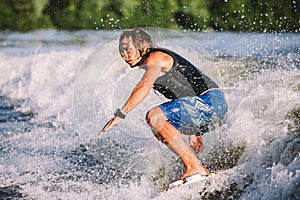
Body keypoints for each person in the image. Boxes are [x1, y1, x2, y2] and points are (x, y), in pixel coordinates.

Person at [100, 28, 228, 180]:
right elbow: (184, 94)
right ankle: (195, 167)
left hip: (212, 101)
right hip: (207, 104)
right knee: (159, 128)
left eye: (128, 49)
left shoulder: (155, 58)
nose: (124, 55)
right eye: (121, 50)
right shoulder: (152, 63)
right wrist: (195, 131)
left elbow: (145, 85)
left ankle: (195, 167)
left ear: (144, 46)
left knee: (155, 117)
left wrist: (122, 113)